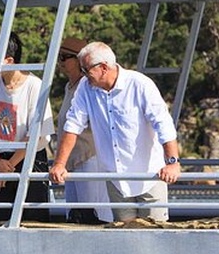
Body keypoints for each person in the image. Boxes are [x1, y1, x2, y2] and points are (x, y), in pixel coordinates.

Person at [49, 41, 181, 222]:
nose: (84, 75)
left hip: (149, 177)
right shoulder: (85, 88)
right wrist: (59, 164)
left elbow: (163, 124)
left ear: (103, 67)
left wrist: (172, 162)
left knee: (155, 239)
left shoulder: (140, 84)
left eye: (86, 70)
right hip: (115, 179)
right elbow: (72, 126)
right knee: (123, 239)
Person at [0, 32, 54, 223]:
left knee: (34, 221)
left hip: (29, 158)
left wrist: (10, 165)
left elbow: (37, 134)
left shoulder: (35, 86)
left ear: (9, 60)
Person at [55, 38, 112, 224]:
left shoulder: (88, 87)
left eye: (65, 57)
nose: (60, 62)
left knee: (92, 216)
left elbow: (76, 125)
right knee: (74, 216)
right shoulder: (69, 87)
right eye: (59, 57)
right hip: (70, 161)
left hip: (89, 158)